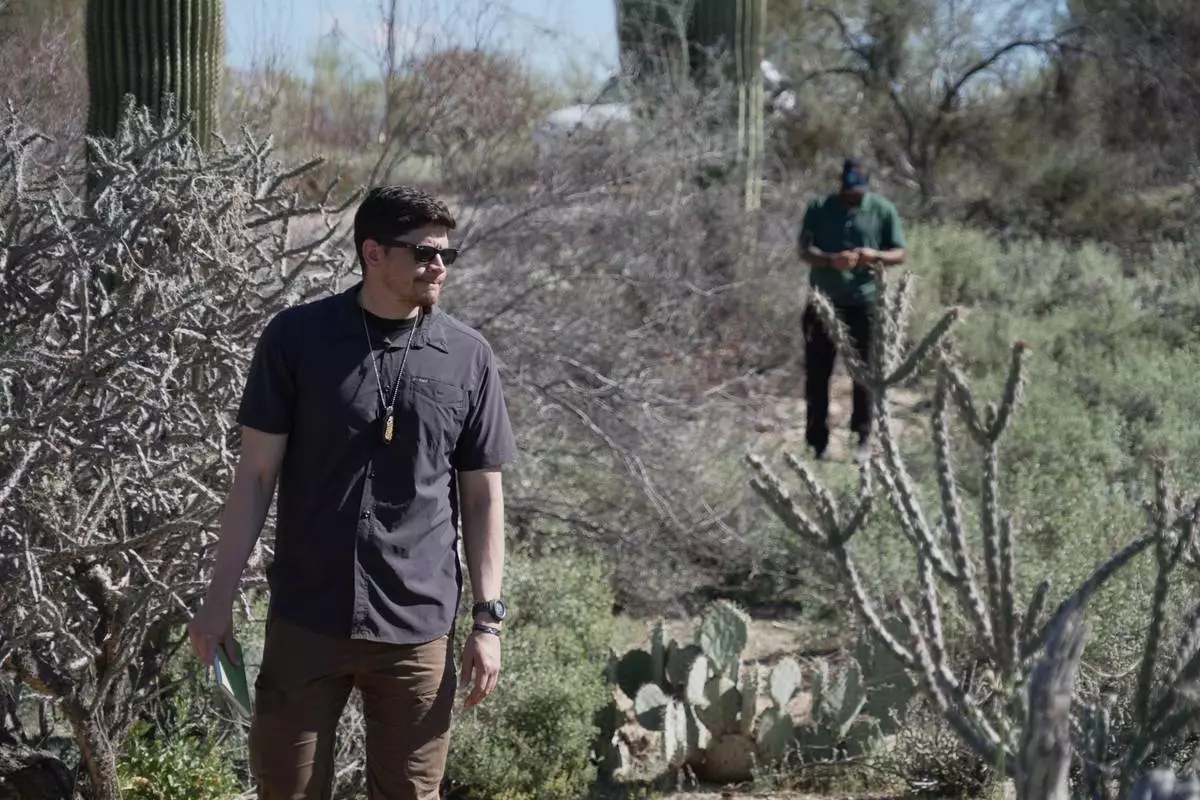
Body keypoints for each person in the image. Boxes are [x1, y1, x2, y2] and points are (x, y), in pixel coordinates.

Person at [187, 185, 518, 800]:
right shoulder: (297, 339)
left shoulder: (468, 356)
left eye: (446, 254)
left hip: (417, 626)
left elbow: (482, 498)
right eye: (423, 253)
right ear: (372, 253)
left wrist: (488, 621)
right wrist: (217, 600)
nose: (438, 266)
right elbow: (255, 476)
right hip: (307, 617)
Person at [798, 158, 907, 462]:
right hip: (823, 301)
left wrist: (874, 257)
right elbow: (804, 249)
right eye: (848, 190)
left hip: (865, 303)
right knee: (817, 375)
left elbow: (900, 252)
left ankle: (862, 437)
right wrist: (831, 261)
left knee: (865, 375)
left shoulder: (882, 209)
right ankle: (816, 442)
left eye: (857, 191)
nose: (852, 195)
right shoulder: (819, 207)